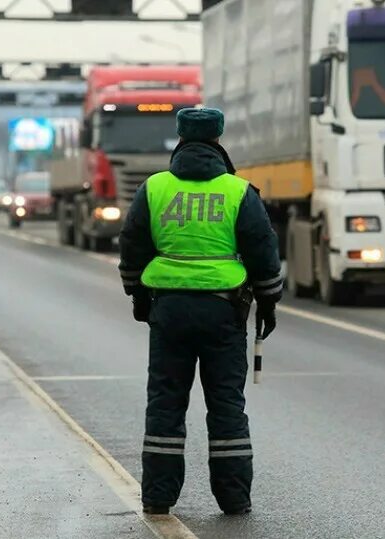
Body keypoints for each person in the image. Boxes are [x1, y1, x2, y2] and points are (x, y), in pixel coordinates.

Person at [119, 108, 282, 515]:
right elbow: (263, 250)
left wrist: (138, 295)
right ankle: (233, 498)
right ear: (219, 137)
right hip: (223, 313)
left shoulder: (154, 188)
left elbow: (132, 244)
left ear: (180, 136)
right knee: (227, 406)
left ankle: (158, 498)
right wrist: (268, 301)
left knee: (165, 404)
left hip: (169, 311)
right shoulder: (238, 191)